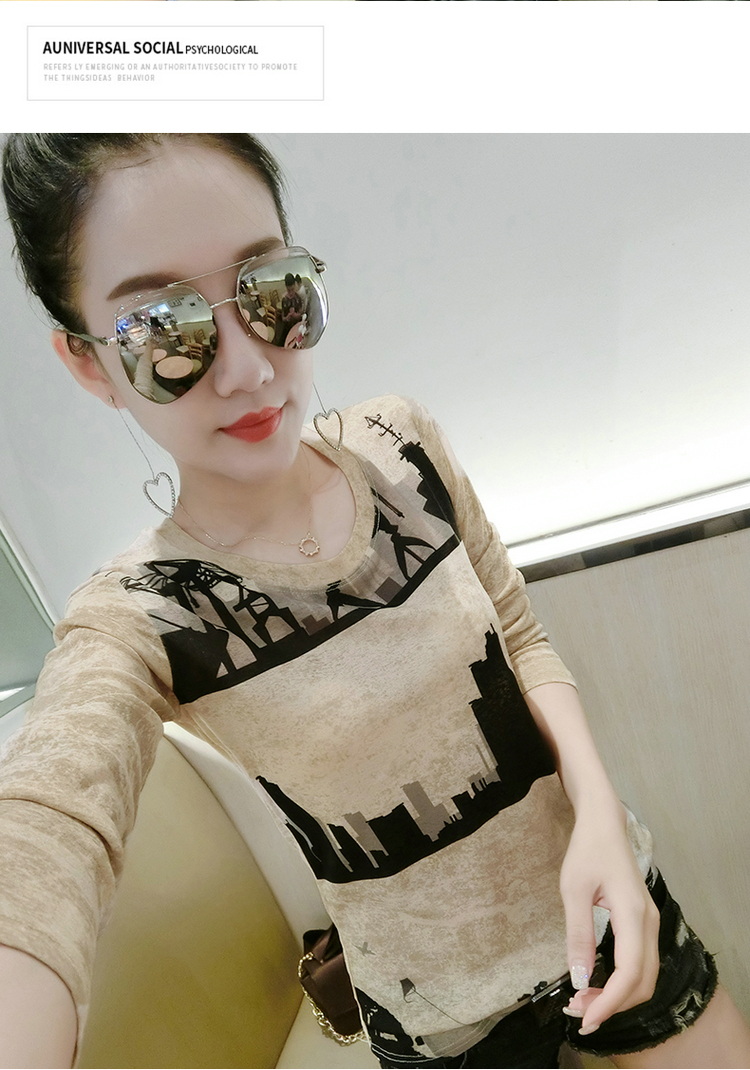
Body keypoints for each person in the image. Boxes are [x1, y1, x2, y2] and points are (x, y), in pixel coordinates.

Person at [0, 134, 748, 1070]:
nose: (248, 368)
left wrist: (599, 813)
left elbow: (518, 634)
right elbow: (52, 818)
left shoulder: (401, 442)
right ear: (86, 362)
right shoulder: (144, 612)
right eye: (164, 330)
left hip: (603, 899)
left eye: (271, 290)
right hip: (438, 1016)